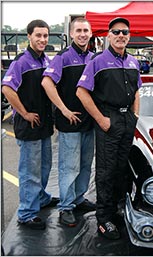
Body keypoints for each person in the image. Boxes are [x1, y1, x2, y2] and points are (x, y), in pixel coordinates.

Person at [76, 17, 141, 240]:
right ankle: (104, 220)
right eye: (116, 32)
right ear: (108, 35)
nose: (120, 35)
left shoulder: (133, 62)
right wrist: (101, 120)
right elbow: (81, 92)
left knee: (122, 168)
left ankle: (116, 210)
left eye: (124, 32)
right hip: (108, 120)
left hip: (126, 121)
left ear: (129, 36)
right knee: (106, 171)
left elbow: (137, 91)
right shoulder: (97, 61)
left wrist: (135, 115)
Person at [1, 19, 59, 230]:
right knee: (30, 170)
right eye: (38, 36)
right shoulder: (21, 62)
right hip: (29, 125)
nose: (43, 39)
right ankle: (27, 213)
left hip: (43, 124)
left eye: (45, 36)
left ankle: (41, 199)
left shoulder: (46, 60)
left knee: (44, 167)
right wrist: (24, 113)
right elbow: (6, 88)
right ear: (29, 37)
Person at [41, 17, 96, 227]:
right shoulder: (63, 57)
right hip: (70, 124)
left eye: (86, 30)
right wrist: (63, 110)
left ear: (91, 33)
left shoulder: (93, 57)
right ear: (71, 34)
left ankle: (79, 198)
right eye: (78, 30)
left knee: (84, 165)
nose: (82, 34)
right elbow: (47, 82)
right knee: (69, 167)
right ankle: (66, 207)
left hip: (89, 123)